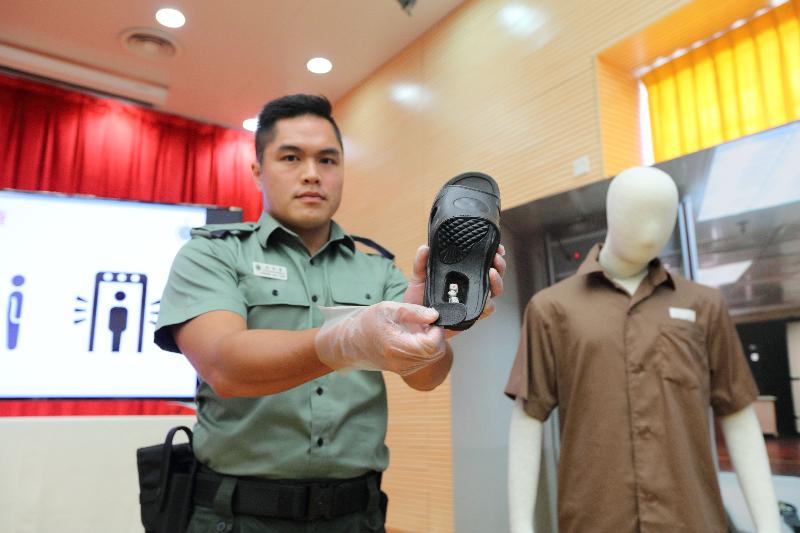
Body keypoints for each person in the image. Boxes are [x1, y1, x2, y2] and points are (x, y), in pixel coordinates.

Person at [154, 94, 505, 533]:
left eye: (327, 160)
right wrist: (346, 339)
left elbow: (426, 377)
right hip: (236, 516)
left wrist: (437, 329)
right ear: (258, 171)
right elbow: (224, 365)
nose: (311, 174)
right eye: (290, 157)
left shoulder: (377, 268)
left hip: (356, 515)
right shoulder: (213, 253)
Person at [505, 167, 779, 533]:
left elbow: (738, 414)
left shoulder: (705, 305)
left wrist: (768, 525)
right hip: (594, 519)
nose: (652, 228)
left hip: (692, 520)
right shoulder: (551, 309)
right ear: (611, 213)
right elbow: (529, 416)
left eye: (661, 214)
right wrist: (521, 525)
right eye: (638, 211)